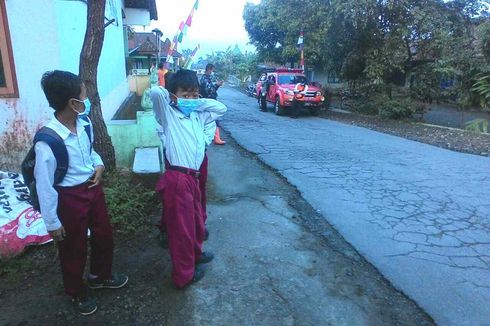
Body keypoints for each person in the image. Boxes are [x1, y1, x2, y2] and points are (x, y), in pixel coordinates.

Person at [35, 70, 128, 315]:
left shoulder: (84, 124)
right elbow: (44, 185)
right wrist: (52, 222)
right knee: (73, 247)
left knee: (104, 235)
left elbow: (91, 153)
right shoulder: (48, 141)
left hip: (92, 190)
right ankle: (76, 291)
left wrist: (98, 165)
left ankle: (100, 275)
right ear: (73, 103)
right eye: (84, 96)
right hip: (69, 198)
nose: (88, 100)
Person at [150, 69, 226, 288]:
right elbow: (155, 93)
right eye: (186, 94)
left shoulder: (196, 114)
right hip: (178, 178)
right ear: (173, 96)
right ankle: (184, 275)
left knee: (193, 222)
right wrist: (173, 100)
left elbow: (222, 108)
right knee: (181, 230)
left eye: (195, 94)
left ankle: (195, 255)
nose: (191, 99)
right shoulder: (169, 115)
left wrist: (196, 103)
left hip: (193, 178)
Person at [200, 63, 226, 145]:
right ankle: (216, 138)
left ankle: (216, 137)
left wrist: (217, 86)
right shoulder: (205, 79)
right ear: (209, 69)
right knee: (214, 118)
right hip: (208, 100)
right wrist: (217, 85)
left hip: (208, 100)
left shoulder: (206, 78)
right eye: (212, 70)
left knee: (212, 119)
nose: (213, 72)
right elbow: (209, 91)